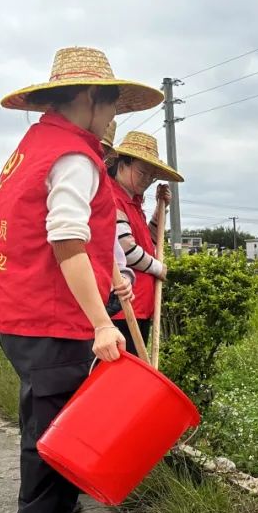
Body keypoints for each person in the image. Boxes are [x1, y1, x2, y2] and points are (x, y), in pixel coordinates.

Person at [0, 46, 162, 513]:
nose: (114, 119)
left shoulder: (36, 145)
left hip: (21, 312)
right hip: (50, 317)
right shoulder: (73, 157)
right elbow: (66, 240)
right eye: (111, 107)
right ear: (88, 99)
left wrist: (115, 283)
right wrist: (102, 322)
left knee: (52, 424)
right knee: (51, 436)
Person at [108, 130, 181, 355]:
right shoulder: (112, 198)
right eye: (142, 173)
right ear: (122, 164)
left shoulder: (132, 202)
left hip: (139, 306)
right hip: (122, 307)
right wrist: (159, 268)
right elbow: (126, 250)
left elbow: (146, 242)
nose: (147, 181)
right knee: (123, 374)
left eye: (151, 176)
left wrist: (161, 210)